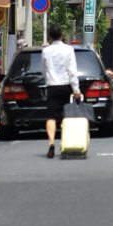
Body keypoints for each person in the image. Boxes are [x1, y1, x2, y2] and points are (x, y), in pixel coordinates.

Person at [41, 24, 82, 158]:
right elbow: (72, 71)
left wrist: (48, 80)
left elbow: (43, 70)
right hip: (65, 86)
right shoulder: (68, 50)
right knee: (66, 116)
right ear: (62, 34)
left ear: (50, 36)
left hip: (52, 86)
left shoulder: (46, 51)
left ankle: (51, 143)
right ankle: (64, 143)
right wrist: (76, 90)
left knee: (51, 116)